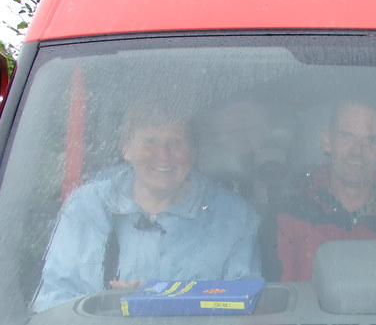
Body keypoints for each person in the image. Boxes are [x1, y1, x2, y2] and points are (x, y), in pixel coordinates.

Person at [34, 99, 261, 312]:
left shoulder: (234, 218)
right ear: (126, 148)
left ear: (193, 153)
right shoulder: (85, 209)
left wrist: (157, 306)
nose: (163, 155)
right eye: (150, 141)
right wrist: (111, 308)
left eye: (176, 142)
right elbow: (52, 303)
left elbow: (244, 310)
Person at [266, 100, 376, 281]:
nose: (357, 151)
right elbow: (277, 297)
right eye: (346, 136)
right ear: (327, 141)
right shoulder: (286, 220)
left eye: (370, 140)